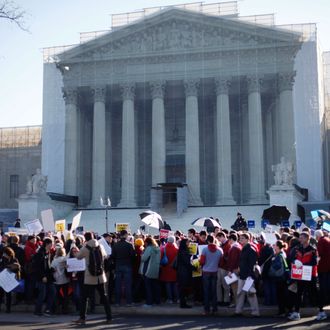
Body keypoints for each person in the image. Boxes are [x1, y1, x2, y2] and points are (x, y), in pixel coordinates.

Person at [74, 232, 112, 325]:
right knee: (104, 297)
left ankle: (82, 318)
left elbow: (78, 257)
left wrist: (77, 251)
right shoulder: (100, 246)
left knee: (84, 298)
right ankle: (109, 317)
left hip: (90, 277)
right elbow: (105, 256)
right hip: (100, 276)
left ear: (86, 239)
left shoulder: (85, 248)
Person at [287, 232, 318, 321]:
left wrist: (303, 264)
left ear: (307, 239)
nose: (300, 239)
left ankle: (321, 311)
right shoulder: (298, 248)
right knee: (299, 293)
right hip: (300, 274)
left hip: (310, 275)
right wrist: (294, 262)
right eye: (300, 238)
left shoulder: (313, 249)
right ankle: (296, 313)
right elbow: (292, 258)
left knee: (314, 293)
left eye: (302, 238)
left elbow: (315, 262)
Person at [234, 233, 260, 317]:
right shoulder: (243, 249)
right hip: (242, 275)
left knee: (251, 294)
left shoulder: (251, 250)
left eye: (242, 238)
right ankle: (238, 311)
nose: (240, 240)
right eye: (240, 238)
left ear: (247, 239)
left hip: (248, 276)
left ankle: (255, 312)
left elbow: (253, 264)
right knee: (240, 293)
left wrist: (250, 276)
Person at [112, 230, 136, 306]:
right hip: (127, 265)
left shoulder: (115, 245)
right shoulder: (129, 245)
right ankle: (129, 302)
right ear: (125, 235)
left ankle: (117, 302)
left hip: (118, 265)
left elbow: (113, 256)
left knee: (117, 284)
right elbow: (133, 255)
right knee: (128, 284)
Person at [200, 235, 223, 315]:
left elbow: (202, 262)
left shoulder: (204, 250)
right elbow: (221, 262)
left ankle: (206, 310)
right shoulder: (220, 250)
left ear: (208, 241)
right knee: (214, 292)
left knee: (206, 292)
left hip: (206, 272)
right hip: (215, 272)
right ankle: (215, 309)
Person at [33, 237, 56, 316]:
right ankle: (37, 311)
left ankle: (47, 309)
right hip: (41, 277)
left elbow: (48, 266)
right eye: (51, 244)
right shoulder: (40, 253)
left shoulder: (48, 252)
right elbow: (37, 267)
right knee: (42, 294)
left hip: (48, 276)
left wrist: (52, 270)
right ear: (47, 244)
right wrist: (42, 276)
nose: (52, 245)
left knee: (53, 292)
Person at [269, 240, 289, 316]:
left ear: (277, 246)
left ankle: (282, 312)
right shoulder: (280, 254)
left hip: (280, 277)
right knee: (281, 295)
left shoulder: (280, 255)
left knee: (281, 295)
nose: (273, 246)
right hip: (281, 277)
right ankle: (283, 311)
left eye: (274, 245)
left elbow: (277, 266)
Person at [140, 237, 161, 307]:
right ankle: (157, 301)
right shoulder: (157, 248)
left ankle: (149, 302)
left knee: (148, 287)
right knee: (155, 286)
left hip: (148, 270)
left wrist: (142, 254)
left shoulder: (149, 248)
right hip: (155, 269)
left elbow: (143, 258)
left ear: (147, 242)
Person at [314, 230, 330, 321]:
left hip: (324, 268)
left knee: (323, 289)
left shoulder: (321, 241)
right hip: (327, 268)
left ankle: (321, 310)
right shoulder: (327, 239)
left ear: (317, 236)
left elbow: (319, 255)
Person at [0, 247, 21, 313]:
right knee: (0, 294)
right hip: (3, 278)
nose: (4, 255)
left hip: (10, 279)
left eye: (5, 254)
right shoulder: (2, 259)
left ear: (9, 254)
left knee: (8, 294)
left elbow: (18, 269)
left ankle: (8, 309)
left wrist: (11, 267)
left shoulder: (14, 259)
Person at [159, 236, 178, 304]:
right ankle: (177, 298)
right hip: (174, 269)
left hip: (166, 269)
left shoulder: (163, 249)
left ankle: (170, 299)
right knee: (175, 284)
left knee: (168, 284)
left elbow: (160, 258)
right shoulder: (176, 250)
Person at [177, 238, 195, 308]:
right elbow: (187, 262)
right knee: (183, 288)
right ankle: (183, 303)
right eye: (188, 242)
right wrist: (194, 267)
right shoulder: (184, 251)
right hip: (184, 272)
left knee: (183, 288)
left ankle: (183, 303)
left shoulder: (181, 250)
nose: (189, 244)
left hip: (182, 271)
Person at [51, 247, 70, 314]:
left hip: (57, 279)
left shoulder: (54, 260)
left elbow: (52, 268)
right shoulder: (65, 259)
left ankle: (57, 308)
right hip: (65, 279)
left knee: (56, 294)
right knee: (65, 294)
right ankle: (65, 309)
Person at [227, 233, 242, 308]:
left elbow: (233, 260)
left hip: (234, 270)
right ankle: (237, 303)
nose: (228, 241)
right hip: (236, 269)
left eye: (229, 240)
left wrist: (230, 271)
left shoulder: (234, 248)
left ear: (231, 239)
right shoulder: (238, 246)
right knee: (236, 288)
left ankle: (237, 304)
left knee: (234, 288)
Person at [216, 231, 231, 306]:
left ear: (222, 236)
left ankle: (226, 300)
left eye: (218, 238)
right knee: (219, 284)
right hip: (221, 266)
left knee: (225, 285)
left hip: (224, 267)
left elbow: (227, 256)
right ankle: (220, 300)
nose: (218, 240)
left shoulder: (227, 245)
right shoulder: (224, 244)